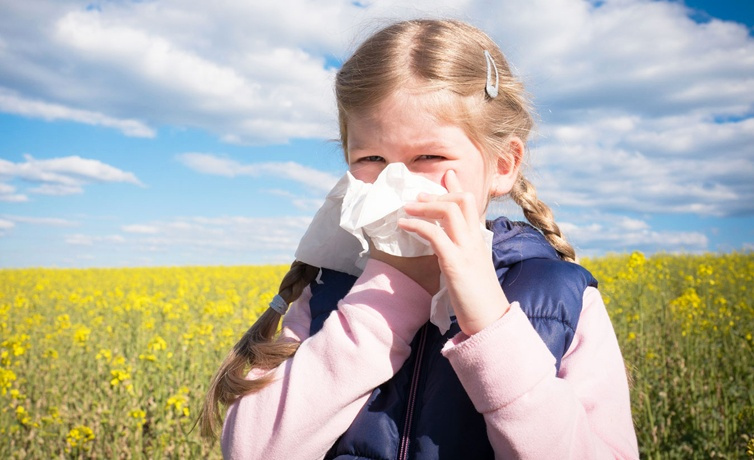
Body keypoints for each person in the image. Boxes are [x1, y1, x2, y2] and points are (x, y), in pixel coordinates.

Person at [199, 19, 639, 459]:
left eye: (428, 156)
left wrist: (490, 323)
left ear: (503, 164)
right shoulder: (327, 294)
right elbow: (252, 451)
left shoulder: (558, 297)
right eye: (371, 158)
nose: (397, 182)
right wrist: (386, 296)